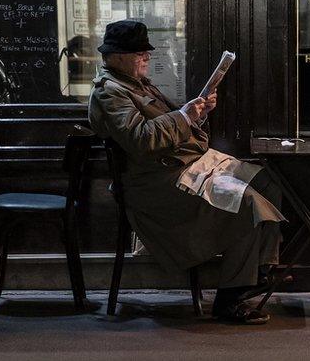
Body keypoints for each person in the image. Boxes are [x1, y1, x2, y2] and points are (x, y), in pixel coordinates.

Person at [88, 20, 286, 324]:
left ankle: (261, 270)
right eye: (138, 53)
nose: (146, 57)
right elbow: (141, 140)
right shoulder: (110, 92)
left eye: (146, 52)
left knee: (267, 180)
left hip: (189, 164)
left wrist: (197, 115)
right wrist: (184, 115)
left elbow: (170, 127)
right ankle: (232, 297)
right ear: (115, 57)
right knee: (247, 203)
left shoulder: (136, 84)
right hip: (160, 184)